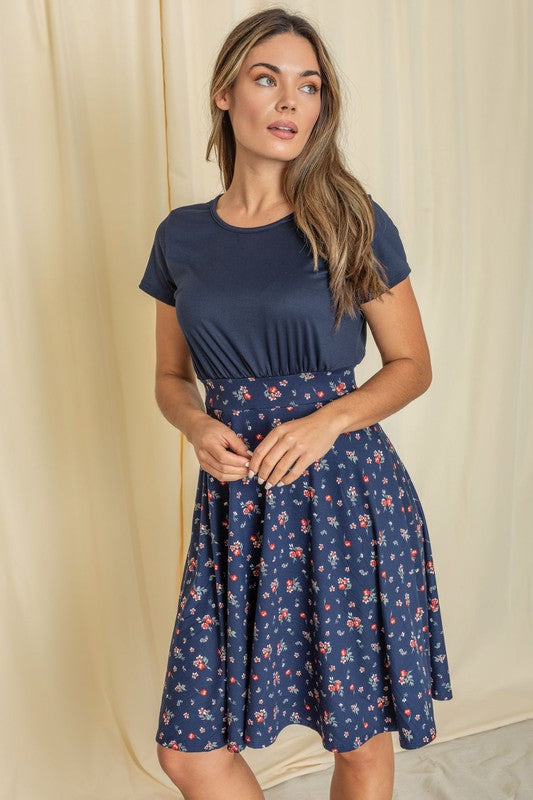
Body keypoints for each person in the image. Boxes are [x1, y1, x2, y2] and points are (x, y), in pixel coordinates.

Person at [138, 7, 453, 800]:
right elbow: (170, 377)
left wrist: (327, 420)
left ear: (321, 106)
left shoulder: (349, 219)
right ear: (223, 93)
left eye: (307, 86)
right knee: (188, 749)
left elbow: (411, 365)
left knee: (357, 739)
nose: (289, 102)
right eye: (266, 79)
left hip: (346, 494)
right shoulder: (181, 237)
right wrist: (196, 424)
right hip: (237, 503)